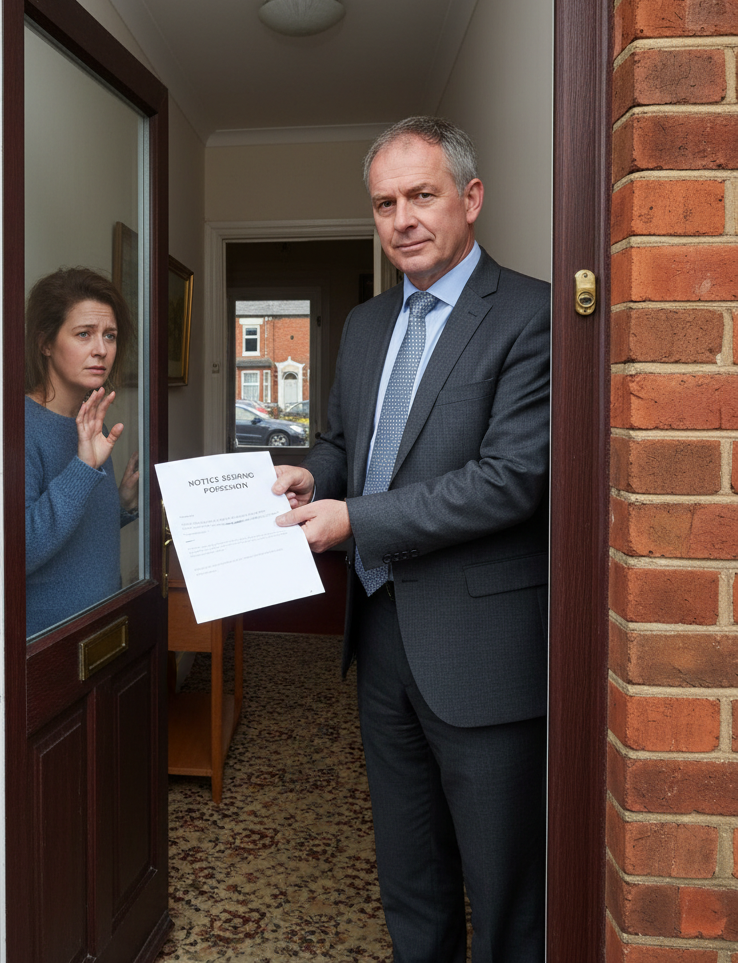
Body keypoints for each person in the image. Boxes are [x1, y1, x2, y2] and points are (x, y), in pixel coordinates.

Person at [273, 117, 550, 963]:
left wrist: (356, 519)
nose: (402, 219)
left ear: (470, 198)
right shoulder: (363, 325)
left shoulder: (534, 314)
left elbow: (512, 479)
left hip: (482, 651)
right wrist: (314, 478)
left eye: (421, 196)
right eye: (385, 203)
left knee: (507, 889)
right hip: (380, 633)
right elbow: (342, 444)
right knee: (410, 872)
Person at [24, 267, 139, 639]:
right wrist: (83, 467)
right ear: (45, 343)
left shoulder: (92, 421)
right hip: (50, 641)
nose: (101, 350)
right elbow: (18, 552)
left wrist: (121, 504)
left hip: (103, 625)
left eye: (110, 336)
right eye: (84, 334)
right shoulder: (19, 429)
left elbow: (77, 534)